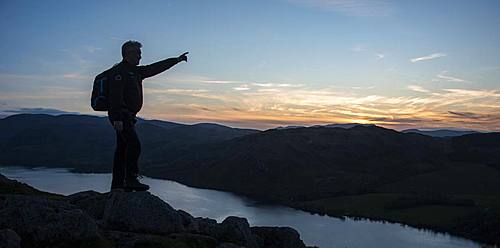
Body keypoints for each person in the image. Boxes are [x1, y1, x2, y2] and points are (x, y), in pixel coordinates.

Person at [108, 40, 188, 191]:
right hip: (122, 116)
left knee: (121, 150)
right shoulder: (119, 71)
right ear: (126, 54)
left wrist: (176, 60)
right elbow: (114, 96)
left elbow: (155, 68)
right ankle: (131, 179)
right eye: (136, 53)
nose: (139, 56)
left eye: (140, 53)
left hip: (128, 117)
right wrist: (117, 118)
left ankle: (118, 185)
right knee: (134, 145)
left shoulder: (136, 71)